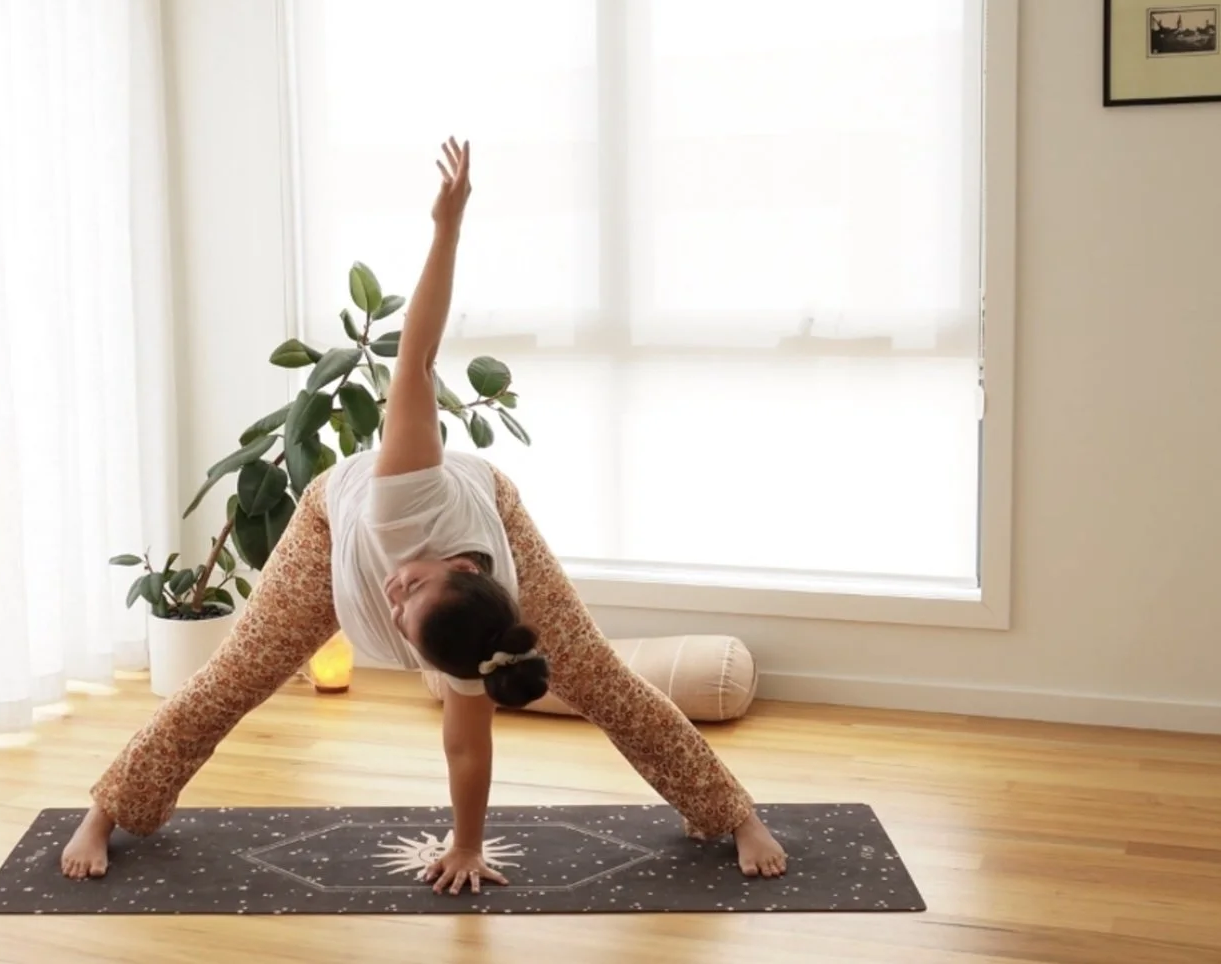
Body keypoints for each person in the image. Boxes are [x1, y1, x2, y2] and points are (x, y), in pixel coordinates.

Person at [60, 138, 788, 891]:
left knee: (598, 677)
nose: (390, 595)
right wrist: (447, 229)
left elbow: (465, 748)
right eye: (407, 594)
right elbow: (416, 355)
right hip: (336, 520)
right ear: (453, 568)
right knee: (233, 678)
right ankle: (106, 812)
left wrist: (467, 846)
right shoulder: (405, 495)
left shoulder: (469, 636)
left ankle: (732, 813)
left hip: (476, 527)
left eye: (401, 609)